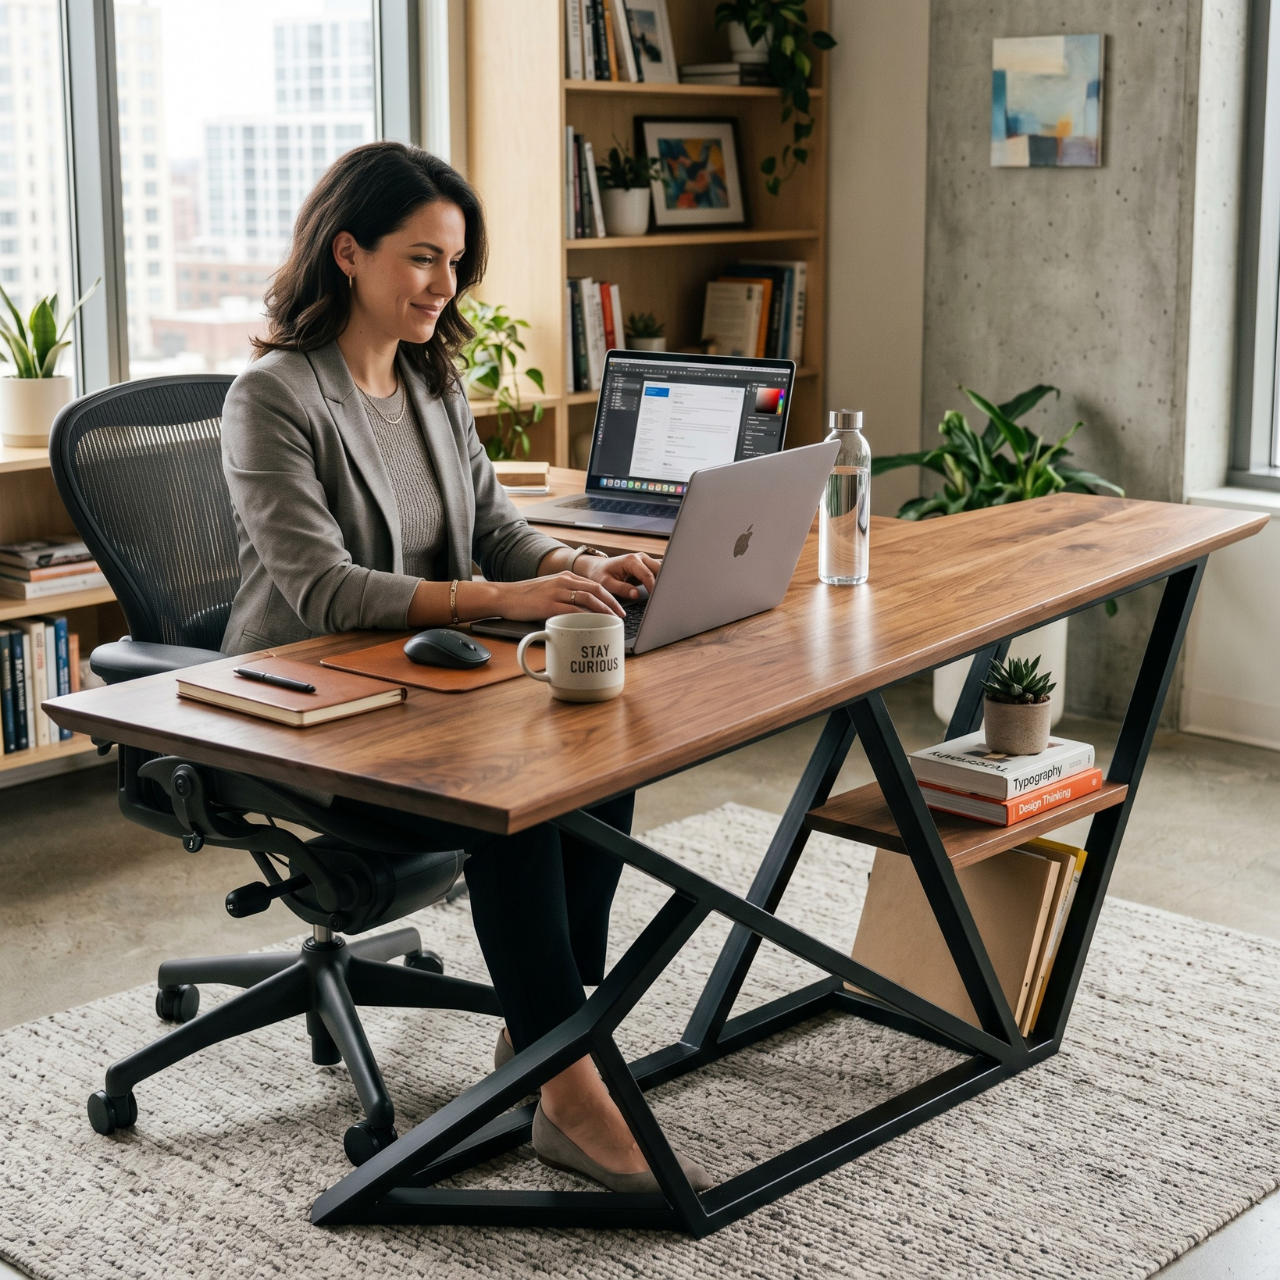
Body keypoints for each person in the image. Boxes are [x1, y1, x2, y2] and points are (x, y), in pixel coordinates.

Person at [218, 141, 710, 1195]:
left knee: (601, 747)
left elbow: (495, 529)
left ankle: (546, 1040)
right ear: (346, 252)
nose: (444, 286)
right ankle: (567, 1088)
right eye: (421, 259)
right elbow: (326, 590)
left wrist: (578, 568)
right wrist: (506, 600)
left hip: (430, 685)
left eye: (455, 263)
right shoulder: (272, 397)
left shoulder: (431, 382)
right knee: (519, 800)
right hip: (304, 706)